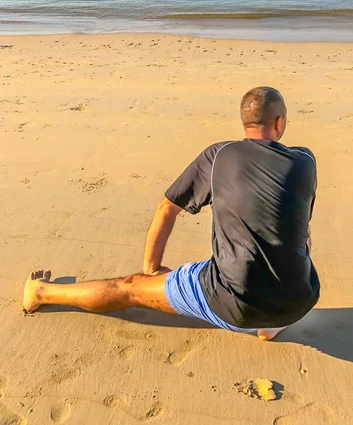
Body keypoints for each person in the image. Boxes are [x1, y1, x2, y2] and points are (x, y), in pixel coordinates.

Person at [23, 86, 320, 341]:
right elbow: (300, 230)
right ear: (279, 122)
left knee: (129, 289)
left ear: (244, 122)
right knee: (297, 234)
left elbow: (168, 208)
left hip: (233, 305)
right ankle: (272, 322)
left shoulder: (219, 155)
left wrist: (151, 270)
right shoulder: (306, 160)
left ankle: (40, 293)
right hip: (300, 299)